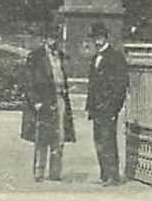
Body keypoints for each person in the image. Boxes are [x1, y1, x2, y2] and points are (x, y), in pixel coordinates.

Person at [21, 34, 75, 182]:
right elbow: (28, 81)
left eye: (55, 38)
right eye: (50, 37)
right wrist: (36, 101)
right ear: (44, 39)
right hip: (43, 101)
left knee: (59, 136)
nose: (53, 41)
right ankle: (39, 172)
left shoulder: (60, 55)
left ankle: (55, 172)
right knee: (42, 136)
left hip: (60, 99)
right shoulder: (36, 56)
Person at [85, 23, 128, 185]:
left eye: (100, 37)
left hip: (108, 109)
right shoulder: (96, 57)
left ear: (105, 38)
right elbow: (92, 85)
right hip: (96, 109)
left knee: (108, 140)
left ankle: (113, 175)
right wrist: (90, 106)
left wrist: (113, 107)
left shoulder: (115, 57)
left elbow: (120, 85)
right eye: (95, 38)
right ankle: (104, 174)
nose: (97, 41)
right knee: (99, 142)